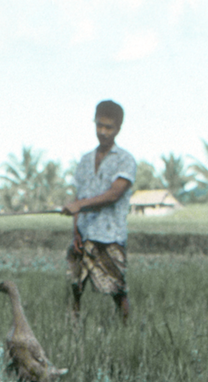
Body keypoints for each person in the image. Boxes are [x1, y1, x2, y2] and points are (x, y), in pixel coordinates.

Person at [60, 99, 136, 323]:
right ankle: (74, 329)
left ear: (118, 129)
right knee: (75, 287)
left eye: (109, 127)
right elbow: (78, 198)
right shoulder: (84, 161)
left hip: (109, 237)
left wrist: (80, 206)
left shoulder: (125, 160)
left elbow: (114, 194)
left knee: (117, 289)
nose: (103, 132)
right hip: (84, 234)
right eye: (99, 125)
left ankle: (125, 329)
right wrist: (75, 232)